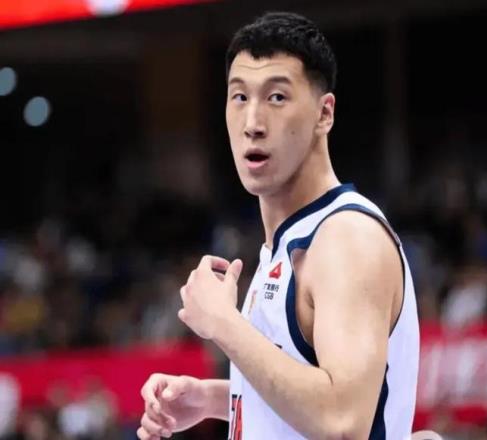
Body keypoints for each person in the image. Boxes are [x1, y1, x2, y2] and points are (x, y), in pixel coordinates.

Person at [137, 11, 419, 440]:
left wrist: (225, 325)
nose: (252, 123)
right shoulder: (285, 241)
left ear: (324, 114)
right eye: (239, 97)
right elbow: (308, 387)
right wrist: (218, 398)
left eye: (276, 97)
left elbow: (344, 423)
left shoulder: (347, 239)